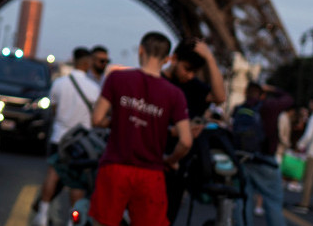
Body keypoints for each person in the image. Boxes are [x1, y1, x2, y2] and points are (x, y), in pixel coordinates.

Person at [89, 31, 192, 226]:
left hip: (115, 167)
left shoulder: (117, 79)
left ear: (141, 50)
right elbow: (186, 141)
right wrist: (170, 160)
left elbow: (97, 119)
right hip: (151, 173)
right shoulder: (175, 94)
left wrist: (120, 121)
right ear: (168, 58)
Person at [33, 47, 101, 226]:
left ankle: (42, 214)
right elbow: (97, 117)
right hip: (82, 143)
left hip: (60, 137)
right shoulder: (94, 89)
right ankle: (73, 221)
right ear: (87, 64)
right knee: (77, 183)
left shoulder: (59, 83)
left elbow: (53, 109)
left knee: (52, 174)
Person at [162, 38, 227, 224]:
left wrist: (210, 58)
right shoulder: (157, 82)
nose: (190, 75)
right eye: (187, 69)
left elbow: (219, 96)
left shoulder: (194, 87)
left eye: (194, 72)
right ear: (173, 59)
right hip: (154, 159)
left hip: (179, 166)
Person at [230, 82, 293, 226]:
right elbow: (288, 99)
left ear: (245, 92)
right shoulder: (268, 107)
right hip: (265, 160)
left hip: (243, 159)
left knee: (243, 200)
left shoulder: (239, 109)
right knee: (273, 202)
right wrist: (272, 88)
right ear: (262, 94)